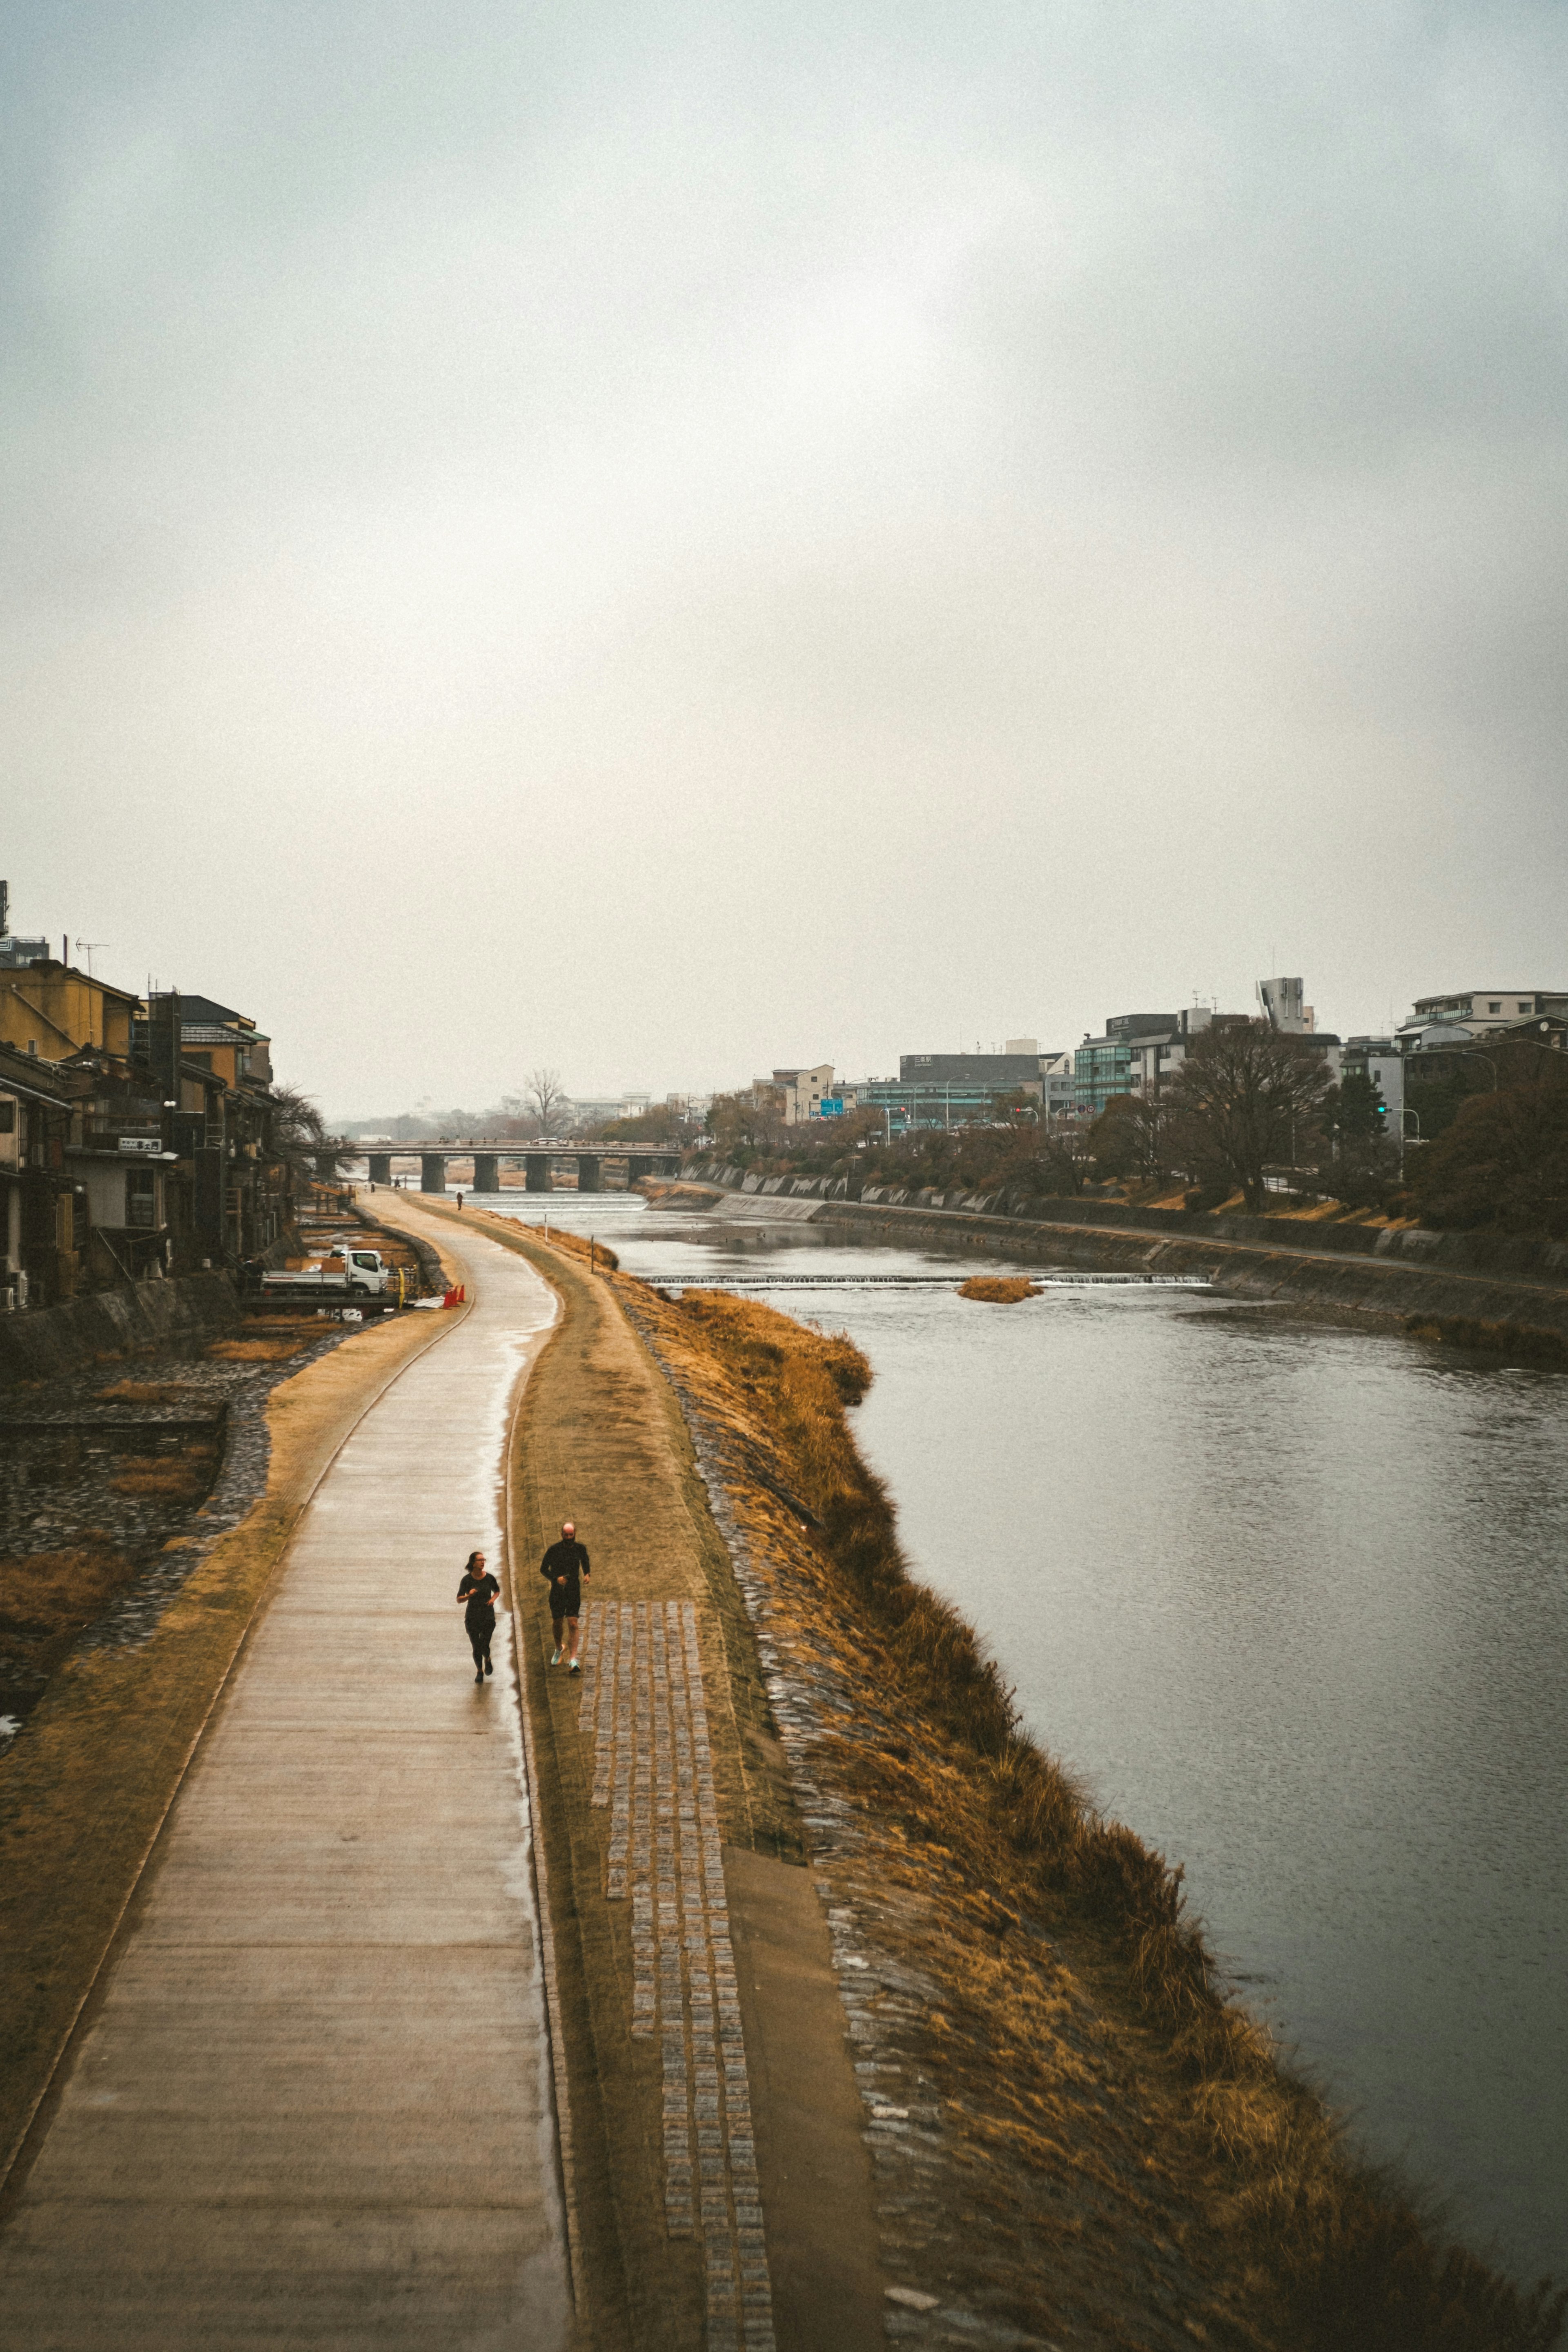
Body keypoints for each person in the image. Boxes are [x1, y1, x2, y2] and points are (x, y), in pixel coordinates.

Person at [539, 1520, 590, 1672]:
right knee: (557, 1623)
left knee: (573, 1623)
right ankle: (558, 1648)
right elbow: (543, 1569)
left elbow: (585, 1560)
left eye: (571, 1535)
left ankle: (573, 1659)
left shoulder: (580, 1548)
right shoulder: (554, 1550)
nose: (569, 1537)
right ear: (562, 1535)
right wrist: (556, 1579)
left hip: (573, 1590)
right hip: (557, 1591)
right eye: (566, 1535)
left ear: (575, 1534)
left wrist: (587, 1573)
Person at [456, 1549, 500, 1684]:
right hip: (472, 1617)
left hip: (487, 1616)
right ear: (473, 1563)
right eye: (480, 1560)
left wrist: (493, 1599)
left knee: (485, 1644)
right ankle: (479, 1671)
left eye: (484, 1560)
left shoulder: (490, 1578)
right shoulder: (467, 1580)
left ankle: (487, 1658)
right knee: (476, 1646)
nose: (483, 1562)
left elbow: (497, 1591)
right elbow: (459, 1599)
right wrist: (469, 1596)